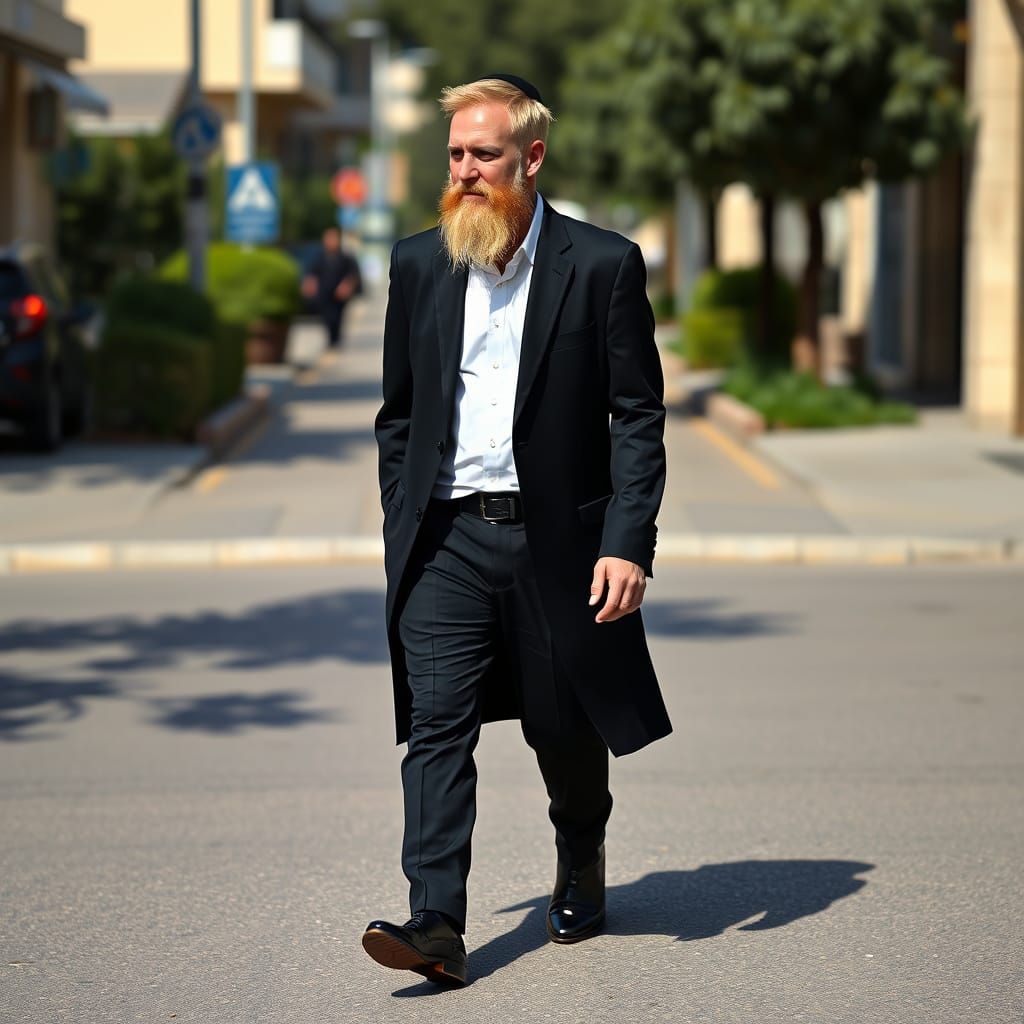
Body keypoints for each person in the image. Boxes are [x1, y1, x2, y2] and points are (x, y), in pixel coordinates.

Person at [366, 74, 671, 987]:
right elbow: (398, 416)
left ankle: (580, 855)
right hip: (446, 540)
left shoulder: (603, 264)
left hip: (558, 545)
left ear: (530, 159)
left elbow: (637, 416)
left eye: (483, 155)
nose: (463, 171)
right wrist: (401, 519)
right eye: (455, 154)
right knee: (437, 726)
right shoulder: (420, 264)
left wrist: (627, 540)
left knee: (560, 724)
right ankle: (435, 924)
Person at [302, 226, 362, 348]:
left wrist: (347, 285)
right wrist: (309, 284)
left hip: (339, 296)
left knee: (337, 317)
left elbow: (353, 274)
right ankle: (331, 339)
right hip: (325, 294)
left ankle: (336, 339)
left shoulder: (345, 258)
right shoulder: (320, 258)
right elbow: (312, 273)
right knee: (327, 318)